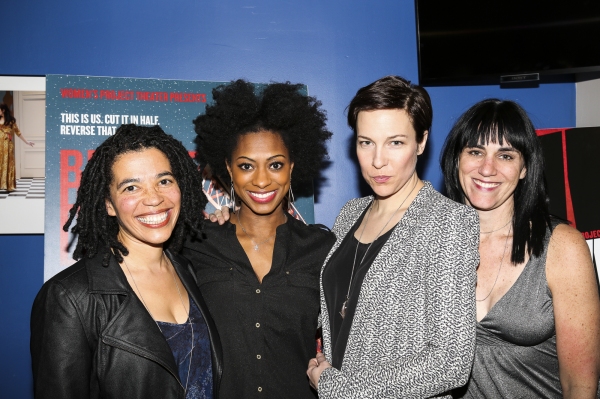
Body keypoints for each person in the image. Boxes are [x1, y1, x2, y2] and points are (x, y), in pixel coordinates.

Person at [306, 75, 480, 398]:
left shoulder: (449, 222)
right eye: (366, 142)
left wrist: (338, 388)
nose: (377, 161)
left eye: (395, 142)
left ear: (421, 141)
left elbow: (450, 361)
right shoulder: (349, 214)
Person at [31, 125, 223, 399]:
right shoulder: (69, 297)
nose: (154, 198)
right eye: (131, 187)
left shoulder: (186, 269)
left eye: (164, 181)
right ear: (109, 204)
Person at [182, 79, 336, 399]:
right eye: (246, 166)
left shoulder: (322, 249)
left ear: (292, 167)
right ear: (228, 169)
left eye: (275, 165)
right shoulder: (197, 243)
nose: (262, 180)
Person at [441, 99, 600, 398]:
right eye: (475, 152)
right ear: (456, 159)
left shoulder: (562, 246)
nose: (487, 168)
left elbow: (580, 386)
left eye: (505, 155)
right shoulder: (431, 244)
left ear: (525, 167)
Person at [0, 103, 34, 192]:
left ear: (3, 110)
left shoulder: (11, 121)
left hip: (7, 145)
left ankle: (9, 185)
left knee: (8, 163)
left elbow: (18, 132)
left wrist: (27, 142)